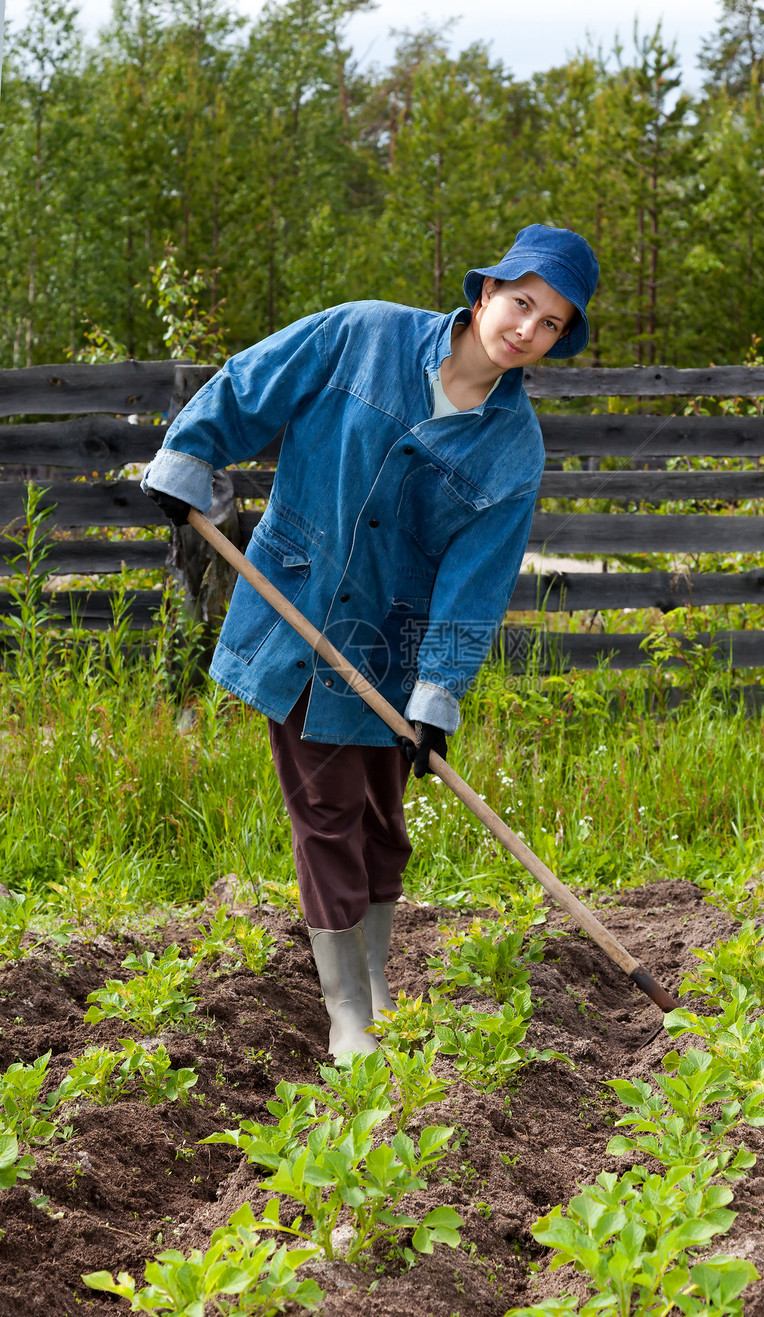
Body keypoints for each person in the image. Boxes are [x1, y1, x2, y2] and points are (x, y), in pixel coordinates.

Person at [142, 223, 599, 1056]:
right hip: (300, 610)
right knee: (326, 806)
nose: (527, 328)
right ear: (485, 291)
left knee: (383, 818)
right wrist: (188, 458)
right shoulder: (364, 334)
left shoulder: (512, 450)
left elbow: (478, 579)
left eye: (551, 323)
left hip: (394, 645)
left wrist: (438, 695)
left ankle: (378, 983)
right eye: (522, 301)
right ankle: (347, 1008)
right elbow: (253, 385)